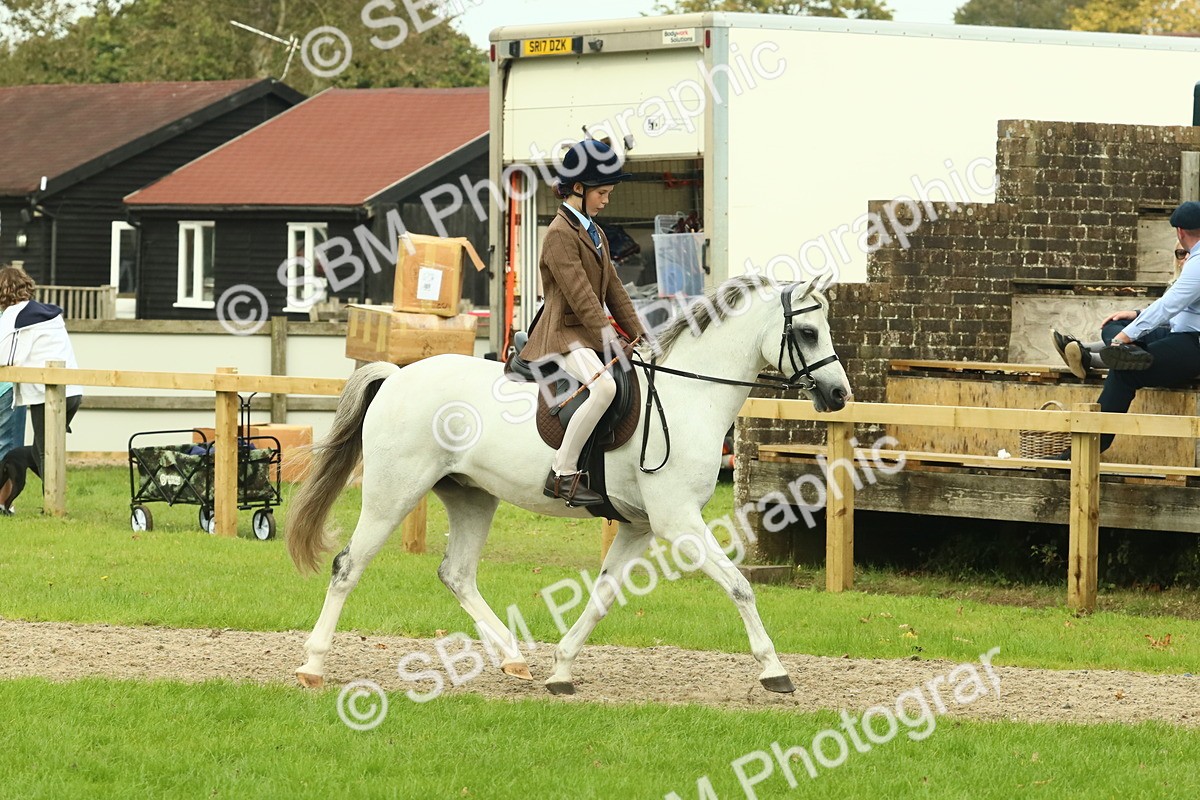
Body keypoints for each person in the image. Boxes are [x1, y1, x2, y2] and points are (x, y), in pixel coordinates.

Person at [518, 138, 646, 507]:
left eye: (608, 192)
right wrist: (609, 341)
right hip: (561, 334)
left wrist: (641, 335)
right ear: (579, 188)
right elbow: (582, 298)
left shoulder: (595, 231)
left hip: (585, 334)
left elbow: (614, 292)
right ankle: (562, 473)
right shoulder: (559, 234)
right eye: (602, 192)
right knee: (604, 388)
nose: (607, 199)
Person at [1050, 202, 1200, 453]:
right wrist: (1134, 317)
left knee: (1124, 372)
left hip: (1193, 344)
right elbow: (1175, 312)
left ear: (1180, 232)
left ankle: (1085, 451)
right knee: (1115, 324)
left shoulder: (1197, 264)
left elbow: (1168, 306)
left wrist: (1124, 336)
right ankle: (1092, 355)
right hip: (1179, 333)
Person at [0, 265, 83, 512]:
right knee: (42, 450)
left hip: (46, 394)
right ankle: (49, 497)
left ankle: (52, 506)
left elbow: (5, 356)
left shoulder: (14, 317)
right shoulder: (49, 315)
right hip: (72, 391)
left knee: (46, 452)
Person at [1052, 240, 1189, 378]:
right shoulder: (1176, 283)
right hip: (1163, 332)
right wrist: (1135, 315)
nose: (1186, 258)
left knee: (1136, 338)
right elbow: (1159, 312)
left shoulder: (1192, 284)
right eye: (1181, 253)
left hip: (1182, 341)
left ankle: (1087, 358)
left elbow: (1169, 317)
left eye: (1190, 253)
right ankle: (1082, 349)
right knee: (1113, 326)